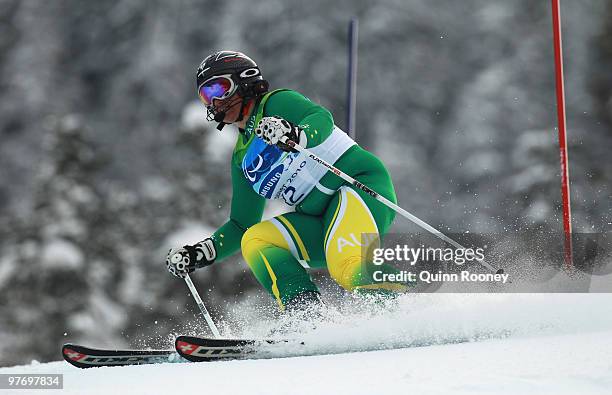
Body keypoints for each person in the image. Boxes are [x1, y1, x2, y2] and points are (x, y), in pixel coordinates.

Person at [166, 50, 406, 312]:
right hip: (321, 220)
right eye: (205, 96)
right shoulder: (242, 158)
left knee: (346, 266)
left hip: (357, 187)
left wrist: (297, 134)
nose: (213, 102)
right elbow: (241, 223)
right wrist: (201, 253)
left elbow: (321, 119)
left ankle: (417, 303)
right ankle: (306, 315)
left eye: (218, 89)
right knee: (256, 240)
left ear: (244, 81)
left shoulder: (277, 103)